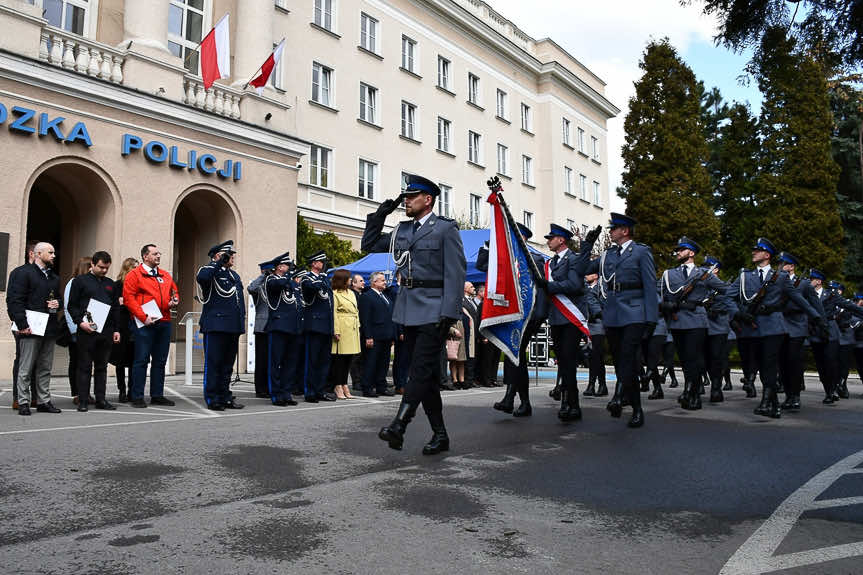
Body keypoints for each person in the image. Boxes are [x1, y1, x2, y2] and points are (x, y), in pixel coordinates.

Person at [362, 173, 466, 455]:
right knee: (429, 377)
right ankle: (441, 435)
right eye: (405, 196)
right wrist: (378, 216)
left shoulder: (445, 229)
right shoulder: (402, 230)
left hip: (435, 310)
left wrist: (450, 312)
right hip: (408, 309)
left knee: (418, 369)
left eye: (411, 196)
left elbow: (456, 274)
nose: (406, 201)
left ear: (428, 199)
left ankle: (399, 424)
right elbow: (369, 246)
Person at [728, 238, 825, 418]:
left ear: (766, 255)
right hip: (752, 327)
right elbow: (729, 297)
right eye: (754, 250)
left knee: (769, 364)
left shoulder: (780, 278)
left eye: (757, 251)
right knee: (759, 363)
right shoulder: (743, 276)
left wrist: (818, 317)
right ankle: (773, 403)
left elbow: (798, 298)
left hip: (773, 327)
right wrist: (738, 313)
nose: (753, 253)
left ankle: (767, 402)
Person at [583, 213, 657, 428]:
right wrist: (588, 243)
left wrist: (651, 319)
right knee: (618, 360)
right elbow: (583, 268)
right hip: (613, 313)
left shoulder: (641, 252)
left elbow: (650, 286)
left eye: (614, 228)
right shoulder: (608, 255)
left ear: (625, 231)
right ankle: (624, 397)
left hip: (635, 312)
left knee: (626, 358)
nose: (611, 231)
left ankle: (636, 408)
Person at [478, 223, 549, 417]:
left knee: (514, 355)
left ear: (521, 239)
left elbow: (541, 288)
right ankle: (518, 401)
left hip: (528, 317)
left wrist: (539, 315)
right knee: (514, 357)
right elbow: (482, 266)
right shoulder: (504, 260)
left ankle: (513, 399)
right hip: (510, 316)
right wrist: (488, 245)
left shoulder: (534, 258)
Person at [659, 237, 729, 410]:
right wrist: (663, 305)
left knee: (694, 358)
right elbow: (657, 292)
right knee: (684, 358)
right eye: (677, 250)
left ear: (691, 253)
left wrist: (713, 304)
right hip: (677, 320)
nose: (677, 253)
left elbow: (727, 290)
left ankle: (693, 393)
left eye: (681, 250)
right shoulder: (669, 274)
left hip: (697, 319)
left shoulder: (703, 274)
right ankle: (690, 388)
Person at [540, 223, 596, 422]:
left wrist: (550, 286)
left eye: (551, 238)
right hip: (556, 317)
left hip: (571, 318)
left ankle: (573, 404)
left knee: (569, 361)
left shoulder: (573, 260)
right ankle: (566, 400)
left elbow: (574, 285)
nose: (548, 241)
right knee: (563, 361)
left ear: (561, 240)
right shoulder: (551, 263)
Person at [7, 242, 63, 415]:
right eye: (50, 252)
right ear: (37, 254)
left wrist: (57, 303)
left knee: (45, 367)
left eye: (54, 252)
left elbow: (59, 299)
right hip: (30, 327)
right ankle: (23, 401)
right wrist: (22, 325)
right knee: (26, 366)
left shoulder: (54, 277)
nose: (54, 255)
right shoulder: (22, 273)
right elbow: (15, 300)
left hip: (49, 327)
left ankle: (43, 401)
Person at [123, 243, 179, 408]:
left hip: (164, 321)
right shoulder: (135, 274)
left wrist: (174, 301)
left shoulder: (165, 275)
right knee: (141, 360)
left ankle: (157, 394)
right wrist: (142, 316)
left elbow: (174, 292)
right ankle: (137, 396)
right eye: (155, 254)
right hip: (145, 322)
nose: (158, 256)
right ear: (145, 256)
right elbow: (129, 298)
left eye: (159, 253)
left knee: (160, 361)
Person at [67, 251, 122, 411]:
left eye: (106, 268)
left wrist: (116, 329)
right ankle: (83, 400)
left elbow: (115, 308)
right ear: (92, 264)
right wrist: (80, 322)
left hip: (106, 331)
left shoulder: (110, 284)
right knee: (84, 366)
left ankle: (101, 399)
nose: (104, 270)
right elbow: (72, 305)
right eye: (101, 267)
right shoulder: (80, 281)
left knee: (102, 367)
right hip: (87, 330)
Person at [196, 240, 245, 411]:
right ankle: (213, 398)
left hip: (232, 326)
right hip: (216, 325)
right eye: (228, 254)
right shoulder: (209, 270)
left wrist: (241, 324)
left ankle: (225, 396)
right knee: (214, 363)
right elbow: (202, 278)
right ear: (218, 255)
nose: (232, 257)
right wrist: (217, 262)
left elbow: (240, 302)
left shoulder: (234, 276)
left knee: (227, 365)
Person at [777, 252, 823, 411]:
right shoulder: (776, 281)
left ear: (791, 266)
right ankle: (789, 395)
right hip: (780, 325)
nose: (779, 266)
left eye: (783, 264)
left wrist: (821, 322)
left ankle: (795, 396)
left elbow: (816, 305)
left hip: (797, 325)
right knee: (782, 363)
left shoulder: (803, 284)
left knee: (793, 361)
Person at [264, 252, 302, 406]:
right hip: (278, 326)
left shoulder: (290, 282)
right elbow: (277, 286)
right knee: (276, 362)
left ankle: (286, 392)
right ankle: (276, 394)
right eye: (287, 265)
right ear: (279, 267)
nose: (289, 268)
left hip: (292, 327)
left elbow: (297, 301)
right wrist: (289, 276)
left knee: (290, 363)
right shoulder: (271, 279)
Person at [300, 251, 337, 402]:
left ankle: (320, 390)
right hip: (314, 325)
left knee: (324, 362)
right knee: (312, 361)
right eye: (321, 262)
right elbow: (312, 290)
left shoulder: (324, 280)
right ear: (314, 263)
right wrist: (322, 277)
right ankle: (309, 391)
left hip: (326, 326)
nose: (323, 265)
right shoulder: (306, 278)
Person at [702, 255, 737, 404]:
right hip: (702, 325)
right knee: (704, 358)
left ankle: (716, 387)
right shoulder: (700, 284)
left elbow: (729, 301)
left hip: (718, 326)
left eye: (707, 266)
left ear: (715, 269)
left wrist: (715, 308)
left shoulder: (722, 286)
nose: (704, 269)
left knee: (716, 357)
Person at [358, 271, 396, 397]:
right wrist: (368, 336)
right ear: (374, 282)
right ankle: (367, 387)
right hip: (374, 335)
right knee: (371, 362)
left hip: (386, 335)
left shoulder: (385, 296)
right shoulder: (367, 296)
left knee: (383, 363)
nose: (385, 282)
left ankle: (381, 386)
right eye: (382, 280)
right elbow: (365, 318)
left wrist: (392, 335)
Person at [11, 240, 38, 410]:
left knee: (39, 361)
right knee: (22, 360)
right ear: (32, 254)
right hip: (23, 323)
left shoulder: (46, 274)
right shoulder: (19, 272)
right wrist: (20, 322)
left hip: (41, 324)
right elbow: (13, 300)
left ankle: (36, 396)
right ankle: (18, 397)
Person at [63, 257, 92, 404]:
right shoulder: (73, 283)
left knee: (85, 362)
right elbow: (69, 308)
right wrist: (75, 328)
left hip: (87, 328)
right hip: (76, 328)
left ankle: (84, 392)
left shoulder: (88, 283)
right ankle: (77, 393)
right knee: (76, 362)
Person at [110, 257, 138, 403]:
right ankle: (121, 390)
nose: (138, 271)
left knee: (134, 361)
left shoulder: (139, 286)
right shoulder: (117, 285)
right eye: (135, 268)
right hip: (121, 326)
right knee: (120, 361)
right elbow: (114, 307)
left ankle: (132, 390)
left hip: (135, 326)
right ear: (128, 269)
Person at [248, 259, 275, 399]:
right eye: (269, 271)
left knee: (272, 360)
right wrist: (263, 276)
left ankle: (271, 387)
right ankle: (261, 388)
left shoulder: (274, 285)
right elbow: (251, 288)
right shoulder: (259, 286)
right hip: (262, 327)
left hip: (275, 326)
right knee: (262, 360)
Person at [330, 269, 359, 400]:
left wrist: (358, 325)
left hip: (352, 327)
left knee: (349, 358)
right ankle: (337, 384)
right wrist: (336, 330)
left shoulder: (351, 293)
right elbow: (334, 313)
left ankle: (344, 384)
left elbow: (356, 310)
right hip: (342, 326)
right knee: (339, 360)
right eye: (348, 278)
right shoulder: (335, 293)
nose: (350, 280)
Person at [584, 271, 608, 398]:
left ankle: (598, 384)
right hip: (587, 325)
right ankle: (594, 385)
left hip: (598, 325)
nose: (585, 275)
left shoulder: (602, 288)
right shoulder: (585, 288)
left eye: (588, 273)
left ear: (595, 275)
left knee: (597, 355)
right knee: (592, 356)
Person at [349, 274, 367, 392]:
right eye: (360, 281)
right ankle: (357, 381)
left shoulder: (362, 295)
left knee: (362, 356)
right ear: (354, 283)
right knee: (356, 357)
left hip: (363, 328)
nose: (363, 283)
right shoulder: (352, 295)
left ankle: (362, 379)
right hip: (355, 329)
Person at [461, 281, 479, 390]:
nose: (474, 288)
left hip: (474, 332)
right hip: (466, 332)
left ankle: (471, 379)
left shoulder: (472, 301)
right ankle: (467, 381)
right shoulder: (461, 300)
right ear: (465, 289)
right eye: (471, 286)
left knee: (473, 357)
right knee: (468, 357)